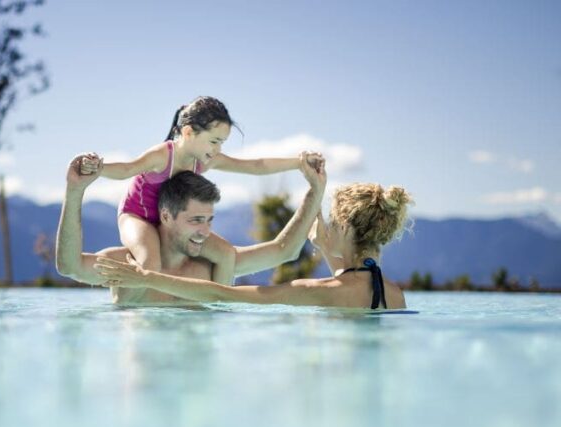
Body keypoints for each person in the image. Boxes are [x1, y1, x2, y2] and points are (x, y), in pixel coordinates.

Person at [78, 96, 320, 282]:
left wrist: (297, 162)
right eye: (214, 141)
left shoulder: (205, 159)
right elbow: (126, 170)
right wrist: (99, 168)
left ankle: (216, 308)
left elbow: (255, 166)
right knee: (150, 262)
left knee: (226, 254)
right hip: (137, 215)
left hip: (173, 220)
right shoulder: (162, 155)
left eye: (222, 143)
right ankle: (141, 316)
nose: (217, 149)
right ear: (188, 132)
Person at [55, 152, 327, 306]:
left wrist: (316, 190)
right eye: (196, 220)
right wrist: (75, 191)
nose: (205, 231)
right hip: (145, 383)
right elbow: (69, 266)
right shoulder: (127, 264)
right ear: (166, 215)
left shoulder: (210, 266)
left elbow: (284, 251)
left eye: (209, 220)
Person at [94, 183, 414, 310]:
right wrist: (328, 244)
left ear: (343, 227)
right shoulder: (394, 294)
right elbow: (354, 285)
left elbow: (222, 293)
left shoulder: (315, 290)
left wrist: (147, 278)